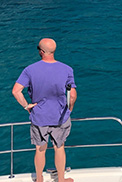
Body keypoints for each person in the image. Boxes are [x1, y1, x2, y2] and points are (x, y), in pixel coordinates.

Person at [12, 38, 77, 182]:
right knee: (59, 147)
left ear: (41, 51)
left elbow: (16, 91)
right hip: (60, 116)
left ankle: (39, 179)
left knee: (40, 149)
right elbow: (72, 95)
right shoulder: (67, 69)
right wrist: (69, 108)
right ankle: (61, 179)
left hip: (39, 116)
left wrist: (26, 106)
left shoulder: (30, 69)